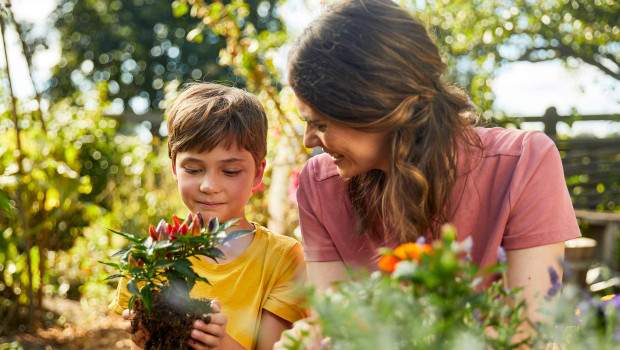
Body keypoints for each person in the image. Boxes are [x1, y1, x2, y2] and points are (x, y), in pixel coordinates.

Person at [288, 0, 580, 325]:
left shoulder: (522, 164)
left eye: (319, 124)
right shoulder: (320, 185)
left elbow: (525, 334)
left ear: (376, 106)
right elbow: (336, 332)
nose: (308, 141)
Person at [109, 83, 306, 350]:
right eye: (193, 169)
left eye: (231, 171)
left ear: (258, 173)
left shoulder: (283, 258)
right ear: (175, 168)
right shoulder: (151, 257)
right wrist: (144, 339)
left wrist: (220, 343)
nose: (209, 185)